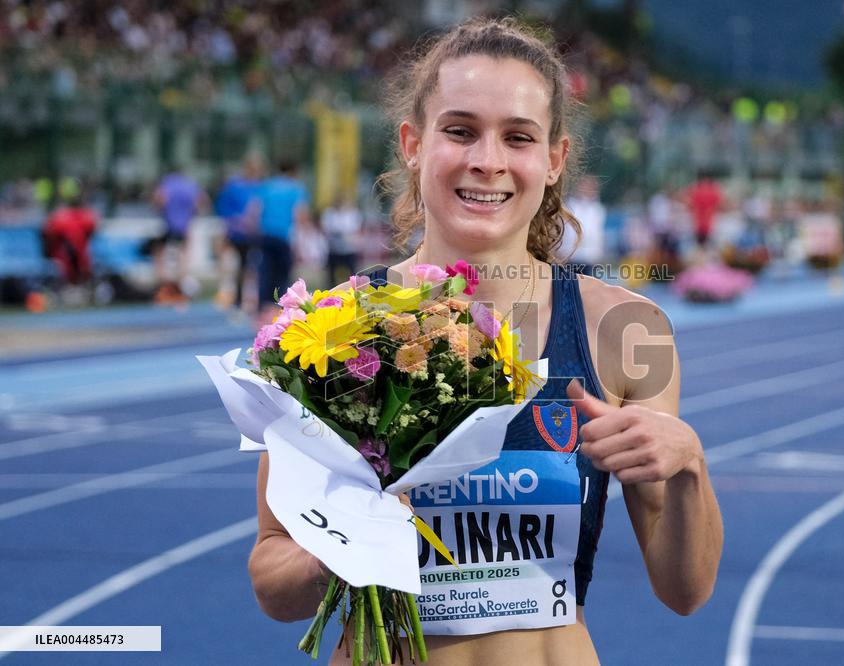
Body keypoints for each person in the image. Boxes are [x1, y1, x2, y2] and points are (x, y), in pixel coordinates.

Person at [247, 18, 723, 666]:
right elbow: (274, 583)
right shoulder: (334, 331)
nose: (487, 160)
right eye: (461, 130)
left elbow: (685, 591)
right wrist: (351, 537)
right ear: (413, 144)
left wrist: (689, 463)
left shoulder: (624, 330)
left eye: (518, 137)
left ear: (554, 160)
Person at [254, 159, 310, 322]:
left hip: (266, 234)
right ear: (294, 171)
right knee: (283, 274)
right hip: (284, 235)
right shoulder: (296, 188)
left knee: (265, 272)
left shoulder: (267, 186)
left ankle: (261, 308)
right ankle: (282, 308)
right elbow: (300, 214)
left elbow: (256, 209)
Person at [214, 155, 264, 311]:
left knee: (249, 267)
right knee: (232, 265)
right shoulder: (235, 186)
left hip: (253, 234)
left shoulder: (261, 187)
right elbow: (223, 207)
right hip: (237, 233)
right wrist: (233, 222)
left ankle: (246, 298)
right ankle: (230, 295)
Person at [152, 165, 207, 303]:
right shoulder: (190, 185)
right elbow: (201, 202)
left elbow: (159, 199)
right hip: (184, 225)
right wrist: (190, 213)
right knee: (183, 255)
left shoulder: (167, 182)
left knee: (159, 252)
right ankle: (181, 283)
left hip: (169, 224)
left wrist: (162, 210)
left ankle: (163, 284)